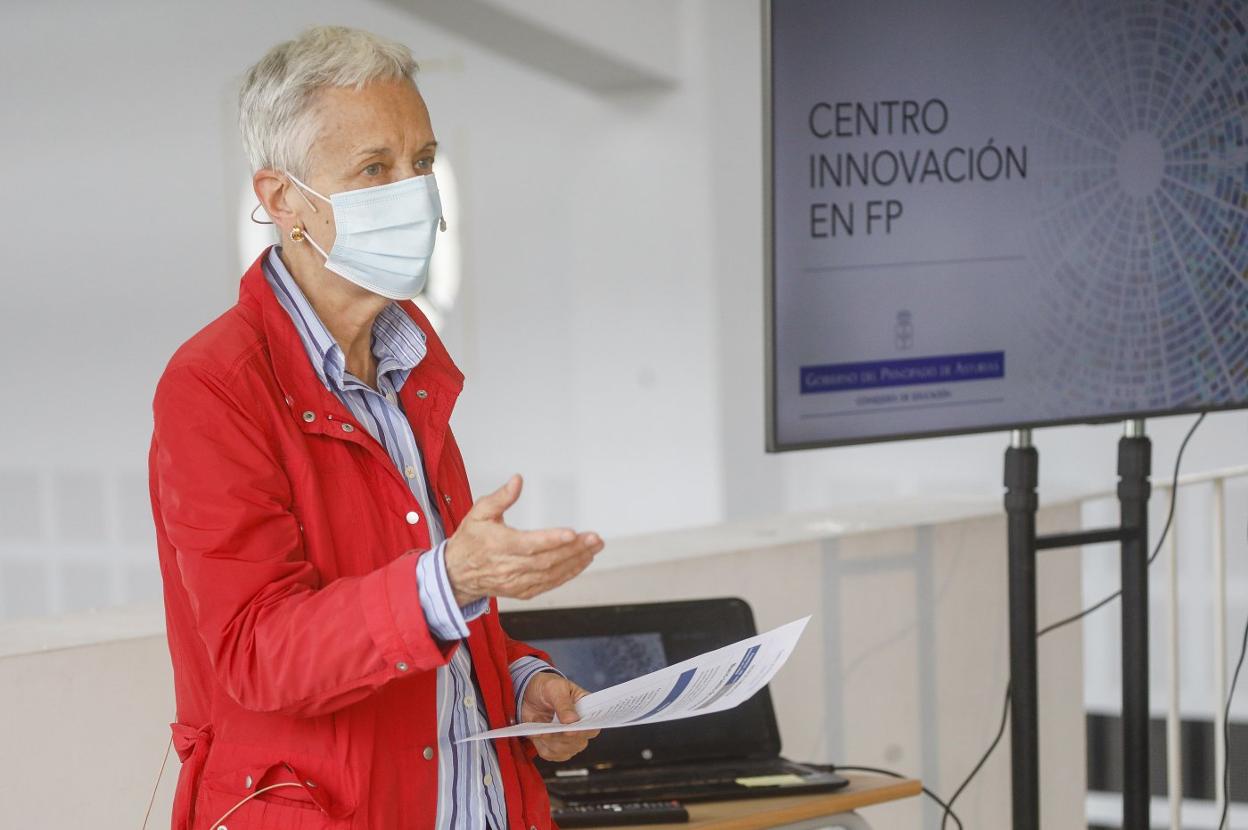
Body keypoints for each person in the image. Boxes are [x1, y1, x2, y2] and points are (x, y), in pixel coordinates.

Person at [148, 25, 603, 830]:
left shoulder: (407, 362)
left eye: (423, 162)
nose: (415, 191)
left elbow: (419, 615)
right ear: (281, 199)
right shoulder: (214, 387)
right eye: (374, 168)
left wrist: (524, 680)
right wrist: (456, 579)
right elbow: (258, 653)